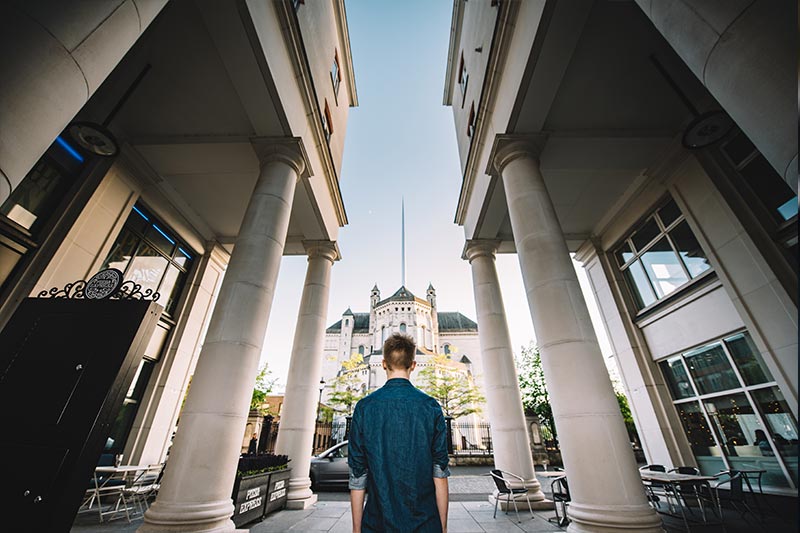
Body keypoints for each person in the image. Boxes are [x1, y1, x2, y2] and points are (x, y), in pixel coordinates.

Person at [348, 333, 450, 533]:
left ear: (384, 364)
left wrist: (356, 529)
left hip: (377, 523)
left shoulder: (364, 408)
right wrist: (443, 527)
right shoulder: (431, 407)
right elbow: (440, 473)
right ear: (413, 365)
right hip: (425, 523)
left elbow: (357, 476)